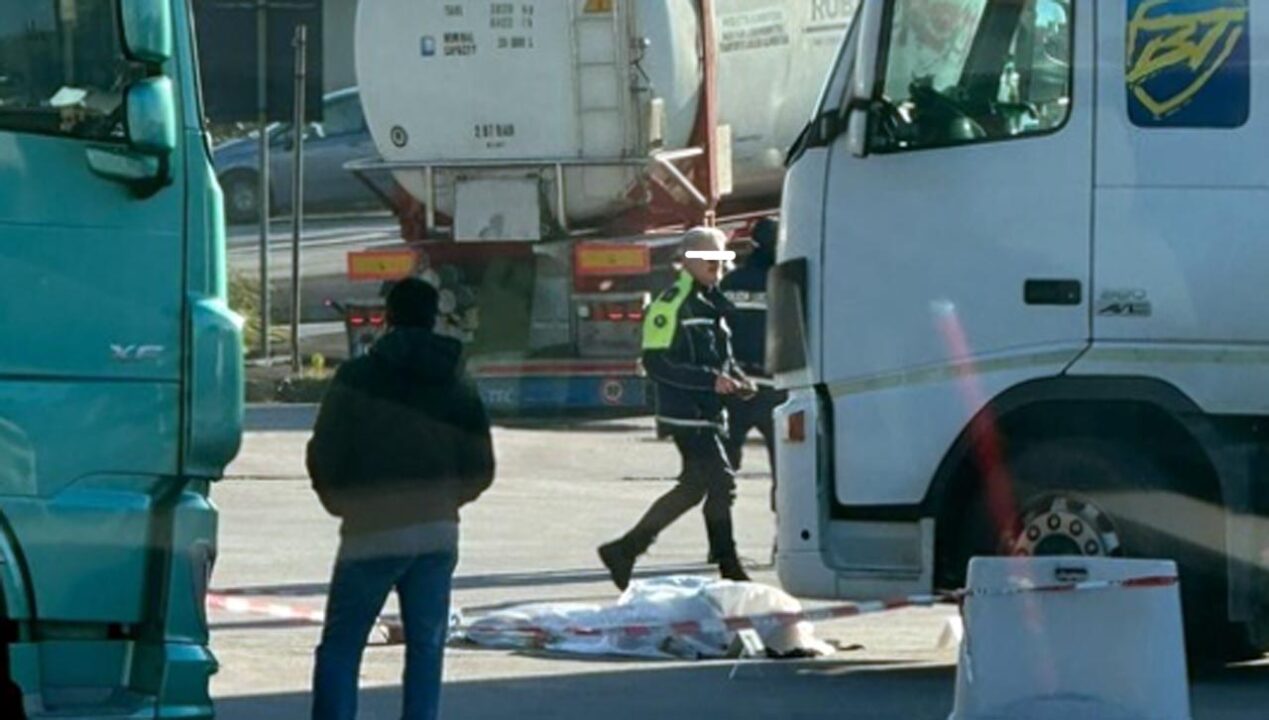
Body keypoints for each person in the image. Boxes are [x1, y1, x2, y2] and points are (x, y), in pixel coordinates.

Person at [307, 278, 495, 720]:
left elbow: (325, 451)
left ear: (386, 316)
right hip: (437, 529)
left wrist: (343, 503)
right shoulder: (456, 378)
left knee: (342, 646)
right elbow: (481, 464)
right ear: (434, 318)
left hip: (371, 527)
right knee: (427, 647)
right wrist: (448, 500)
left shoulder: (356, 376)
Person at [598, 226, 756, 590]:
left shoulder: (711, 303)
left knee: (695, 486)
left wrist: (736, 380)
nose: (718, 265)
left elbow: (720, 357)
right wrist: (709, 379)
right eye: (709, 257)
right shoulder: (669, 305)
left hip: (708, 411)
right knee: (721, 482)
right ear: (687, 260)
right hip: (685, 412)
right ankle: (727, 563)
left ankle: (625, 549)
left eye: (721, 256)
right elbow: (655, 362)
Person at [719, 218, 788, 513]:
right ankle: (782, 539)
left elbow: (717, 333)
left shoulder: (730, 282)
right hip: (775, 390)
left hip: (735, 389)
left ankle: (721, 544)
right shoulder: (785, 283)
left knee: (724, 471)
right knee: (785, 473)